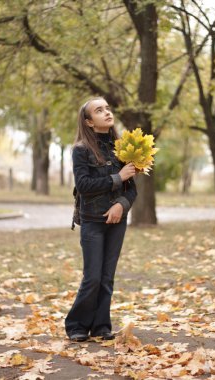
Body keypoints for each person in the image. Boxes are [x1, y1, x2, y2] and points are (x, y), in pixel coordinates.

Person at [65, 97, 137, 342]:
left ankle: (100, 325)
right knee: (93, 276)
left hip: (118, 220)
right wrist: (117, 178)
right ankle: (76, 324)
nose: (106, 112)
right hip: (93, 222)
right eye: (99, 110)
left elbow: (132, 190)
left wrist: (121, 204)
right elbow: (83, 185)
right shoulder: (81, 150)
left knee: (107, 277)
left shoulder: (122, 149)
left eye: (107, 108)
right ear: (89, 121)